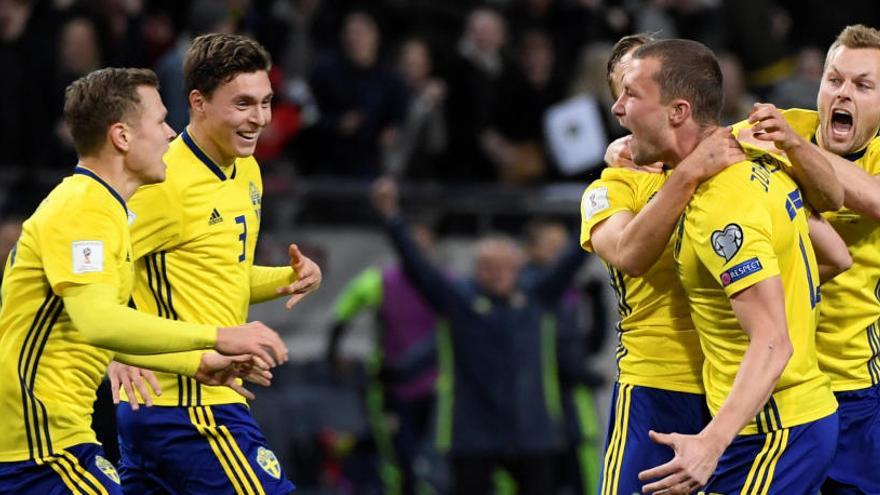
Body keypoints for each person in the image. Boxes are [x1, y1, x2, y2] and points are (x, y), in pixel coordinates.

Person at [0, 67, 287, 494]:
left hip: (51, 440)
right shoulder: (84, 209)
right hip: (38, 447)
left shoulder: (106, 209)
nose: (172, 134)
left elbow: (93, 328)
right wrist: (217, 336)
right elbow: (98, 323)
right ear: (122, 137)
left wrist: (196, 364)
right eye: (159, 121)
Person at [616, 39, 842, 494]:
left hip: (772, 432)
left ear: (678, 111)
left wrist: (711, 442)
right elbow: (836, 255)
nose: (619, 109)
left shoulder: (719, 206)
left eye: (632, 94)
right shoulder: (761, 164)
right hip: (794, 421)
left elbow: (773, 340)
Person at [108, 34, 321, 495]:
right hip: (185, 405)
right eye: (243, 103)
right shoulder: (161, 181)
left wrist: (290, 278)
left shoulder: (248, 170)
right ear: (198, 103)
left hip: (187, 404)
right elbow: (89, 272)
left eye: (265, 102)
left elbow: (221, 272)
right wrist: (113, 355)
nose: (259, 119)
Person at [581, 33, 740, 495]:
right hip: (656, 388)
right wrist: (688, 174)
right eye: (624, 90)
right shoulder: (609, 190)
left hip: (736, 391)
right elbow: (630, 254)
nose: (626, 102)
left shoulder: (733, 166)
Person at [371, 177, 586, 495]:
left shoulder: (537, 296)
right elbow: (418, 267)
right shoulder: (459, 300)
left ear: (518, 267)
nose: (497, 273)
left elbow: (573, 257)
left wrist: (602, 200)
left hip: (534, 432)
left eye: (504, 266)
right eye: (488, 266)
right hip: (474, 434)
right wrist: (392, 218)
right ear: (476, 269)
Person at [741, 24, 880, 494]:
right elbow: (701, 148)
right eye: (834, 80)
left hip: (851, 384)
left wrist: (793, 150)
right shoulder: (782, 127)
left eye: (864, 86)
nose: (844, 93)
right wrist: (634, 150)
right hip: (775, 386)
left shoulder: (787, 138)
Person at [325, 221, 440, 495]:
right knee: (398, 458)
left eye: (423, 245)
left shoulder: (441, 282)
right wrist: (333, 355)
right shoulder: (378, 281)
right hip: (389, 385)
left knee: (423, 456)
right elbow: (341, 315)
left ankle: (351, 448)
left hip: (436, 385)